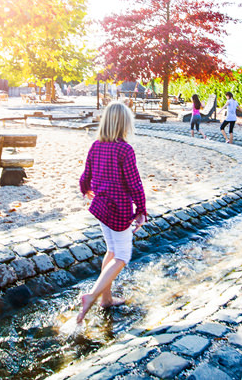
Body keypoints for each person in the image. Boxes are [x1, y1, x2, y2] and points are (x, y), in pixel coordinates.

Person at [77, 101, 147, 322]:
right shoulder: (124, 149)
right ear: (124, 124)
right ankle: (92, 296)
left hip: (100, 207)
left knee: (112, 250)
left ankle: (106, 299)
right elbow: (134, 183)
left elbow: (85, 174)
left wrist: (85, 189)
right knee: (123, 256)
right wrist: (142, 210)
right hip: (118, 209)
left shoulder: (96, 145)